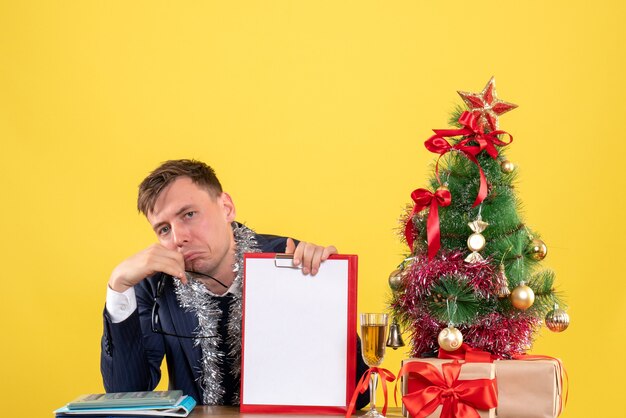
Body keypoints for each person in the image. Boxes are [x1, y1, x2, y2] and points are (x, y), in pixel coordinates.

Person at [101, 159, 368, 407]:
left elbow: (360, 392)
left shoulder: (290, 259)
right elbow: (126, 394)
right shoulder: (154, 284)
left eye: (189, 214)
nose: (178, 237)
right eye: (164, 229)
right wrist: (118, 288)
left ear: (226, 208)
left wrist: (319, 293)